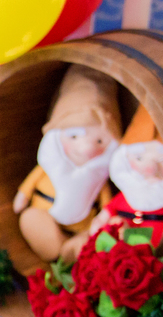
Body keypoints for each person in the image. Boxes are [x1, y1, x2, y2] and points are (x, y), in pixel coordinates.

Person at [13, 64, 121, 263]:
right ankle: (53, 244)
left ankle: (76, 247)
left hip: (83, 225)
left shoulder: (98, 176)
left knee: (92, 237)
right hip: (45, 212)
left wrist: (104, 218)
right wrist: (23, 195)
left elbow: (107, 205)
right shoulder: (50, 164)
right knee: (32, 218)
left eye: (99, 141)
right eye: (74, 137)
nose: (87, 147)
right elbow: (31, 181)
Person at [87, 105, 163, 243]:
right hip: (122, 250)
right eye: (139, 158)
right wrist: (100, 224)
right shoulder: (127, 195)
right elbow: (106, 214)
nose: (150, 168)